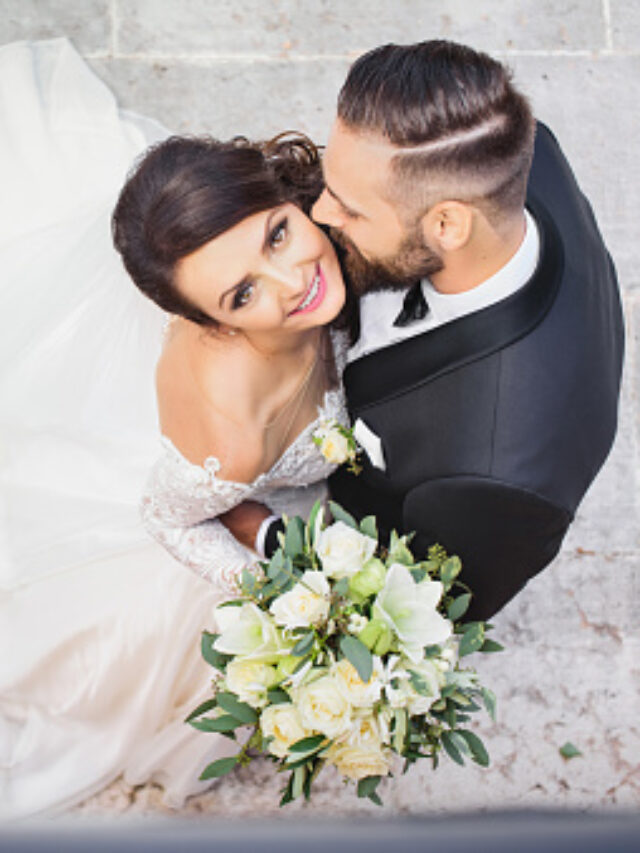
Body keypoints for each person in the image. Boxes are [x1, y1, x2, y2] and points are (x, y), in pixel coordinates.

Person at [0, 37, 348, 819]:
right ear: (210, 323)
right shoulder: (230, 430)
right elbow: (167, 516)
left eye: (277, 234)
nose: (295, 281)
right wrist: (271, 591)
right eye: (242, 295)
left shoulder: (319, 237)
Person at [231, 40, 624, 622]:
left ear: (446, 224)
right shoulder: (503, 145)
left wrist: (259, 531)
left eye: (351, 209)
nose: (321, 216)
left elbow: (426, 602)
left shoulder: (496, 480)